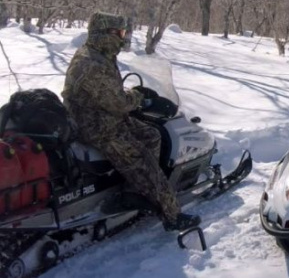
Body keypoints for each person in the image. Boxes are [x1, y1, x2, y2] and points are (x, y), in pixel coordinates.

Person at [62, 12, 200, 232]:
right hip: (98, 128)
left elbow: (105, 94)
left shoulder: (99, 55)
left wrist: (133, 95)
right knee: (144, 163)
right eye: (119, 33)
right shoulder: (90, 63)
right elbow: (116, 102)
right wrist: (139, 98)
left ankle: (133, 191)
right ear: (105, 34)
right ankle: (172, 215)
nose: (122, 37)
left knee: (152, 135)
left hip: (106, 118)